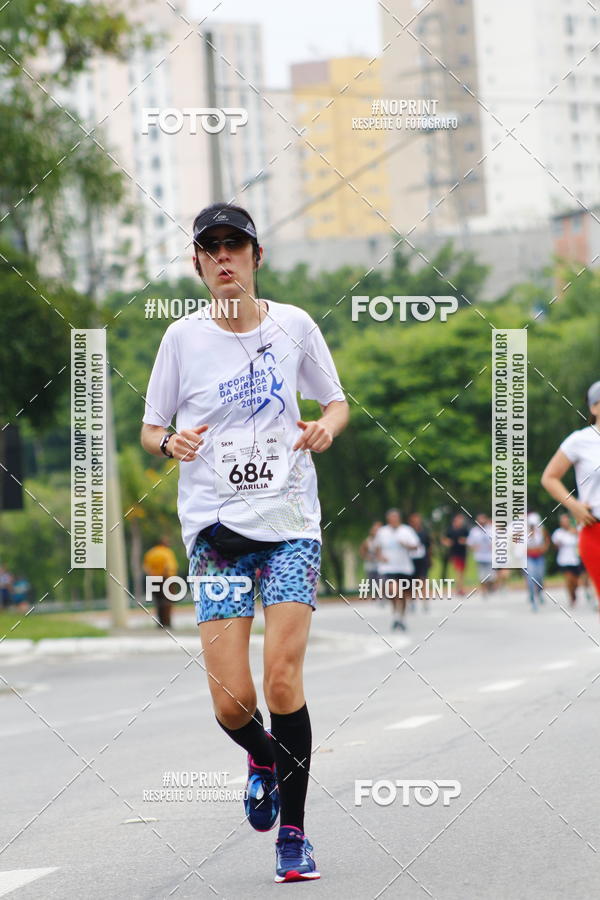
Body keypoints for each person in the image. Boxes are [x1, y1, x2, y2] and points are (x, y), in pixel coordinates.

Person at [141, 202, 349, 883]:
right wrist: (170, 442)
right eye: (212, 247)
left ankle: (293, 833)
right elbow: (151, 429)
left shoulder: (295, 327)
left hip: (290, 527)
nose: (225, 256)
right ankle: (262, 756)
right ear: (198, 263)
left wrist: (326, 427)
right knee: (231, 702)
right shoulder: (180, 339)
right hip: (217, 535)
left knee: (281, 680)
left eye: (237, 245)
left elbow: (336, 402)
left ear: (257, 258)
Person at [541, 380, 600, 606]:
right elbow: (549, 477)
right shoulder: (580, 440)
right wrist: (573, 505)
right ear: (594, 408)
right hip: (595, 530)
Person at [372, 508, 419, 630]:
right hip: (388, 568)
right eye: (391, 518)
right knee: (393, 591)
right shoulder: (382, 532)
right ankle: (395, 616)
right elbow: (376, 547)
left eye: (395, 518)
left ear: (399, 518)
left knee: (402, 595)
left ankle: (401, 618)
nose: (393, 520)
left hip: (404, 568)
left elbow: (416, 546)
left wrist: (406, 545)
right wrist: (380, 557)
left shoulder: (407, 531)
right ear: (388, 519)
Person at [143, 535, 178, 628]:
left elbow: (146, 567)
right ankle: (167, 622)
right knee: (167, 602)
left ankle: (160, 623)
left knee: (158, 602)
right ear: (163, 543)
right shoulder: (167, 552)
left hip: (154, 579)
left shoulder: (151, 553)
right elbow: (169, 566)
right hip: (166, 579)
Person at [551, 513, 583, 607]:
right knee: (569, 580)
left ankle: (574, 594)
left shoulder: (575, 532)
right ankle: (571, 597)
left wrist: (575, 533)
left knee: (575, 582)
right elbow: (555, 546)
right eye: (562, 521)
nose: (564, 523)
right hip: (564, 560)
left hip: (575, 560)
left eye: (566, 521)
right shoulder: (558, 533)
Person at [524, 512, 550, 611]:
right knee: (530, 578)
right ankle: (533, 600)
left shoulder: (541, 531)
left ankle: (539, 593)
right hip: (529, 557)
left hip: (539, 557)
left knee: (539, 577)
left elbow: (547, 539)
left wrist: (544, 548)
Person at [408, 513, 432, 611]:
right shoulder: (408, 532)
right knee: (412, 582)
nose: (416, 522)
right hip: (411, 560)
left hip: (423, 560)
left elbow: (429, 546)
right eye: (414, 521)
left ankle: (425, 602)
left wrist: (430, 558)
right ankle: (412, 601)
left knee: (423, 580)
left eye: (418, 520)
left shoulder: (424, 533)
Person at [441, 513, 470, 596]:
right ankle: (459, 588)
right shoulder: (450, 530)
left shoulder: (464, 530)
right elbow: (444, 540)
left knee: (461, 571)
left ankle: (459, 587)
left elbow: (469, 540)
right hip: (454, 553)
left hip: (463, 553)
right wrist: (447, 542)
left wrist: (464, 541)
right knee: (458, 570)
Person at [466, 513, 495, 595]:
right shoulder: (474, 531)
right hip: (479, 556)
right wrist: (474, 547)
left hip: (490, 557)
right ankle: (484, 591)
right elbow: (469, 543)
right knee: (481, 575)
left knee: (491, 576)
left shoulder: (491, 529)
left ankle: (490, 586)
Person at [359, 521, 382, 601]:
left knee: (381, 580)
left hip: (381, 564)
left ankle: (382, 596)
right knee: (372, 580)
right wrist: (367, 557)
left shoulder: (383, 539)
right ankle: (374, 596)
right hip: (370, 564)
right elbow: (362, 551)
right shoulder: (368, 540)